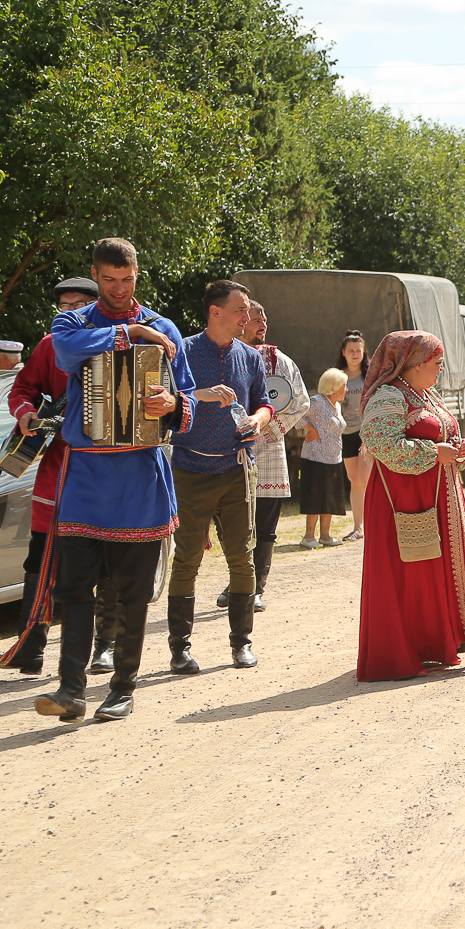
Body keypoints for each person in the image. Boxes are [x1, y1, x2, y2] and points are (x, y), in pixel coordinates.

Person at [29, 238, 196, 722]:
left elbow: (187, 400)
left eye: (126, 279)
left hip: (140, 479)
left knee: (132, 592)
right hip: (84, 477)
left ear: (137, 274)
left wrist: (172, 405)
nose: (118, 288)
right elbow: (65, 353)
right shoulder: (73, 321)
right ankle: (70, 689)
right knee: (74, 588)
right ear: (95, 275)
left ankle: (123, 688)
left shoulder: (165, 328)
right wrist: (129, 333)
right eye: (108, 279)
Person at [0, 277, 114, 675]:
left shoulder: (122, 343)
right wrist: (26, 412)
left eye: (78, 305)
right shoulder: (49, 345)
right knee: (40, 559)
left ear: (96, 308)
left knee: (108, 562)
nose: (70, 312)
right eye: (64, 306)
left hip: (112, 472)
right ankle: (30, 646)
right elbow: (23, 388)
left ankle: (106, 647)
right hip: (59, 470)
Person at [357, 331, 465, 681]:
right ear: (414, 364)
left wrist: (459, 450)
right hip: (402, 499)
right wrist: (434, 453)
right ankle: (405, 651)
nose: (440, 369)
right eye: (436, 363)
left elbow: (445, 436)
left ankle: (439, 642)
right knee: (411, 573)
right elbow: (381, 444)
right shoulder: (388, 396)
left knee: (431, 571)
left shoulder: (426, 394)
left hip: (438, 495)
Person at [166, 280, 273, 674]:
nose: (248, 316)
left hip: (237, 469)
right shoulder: (183, 352)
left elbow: (264, 403)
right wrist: (199, 395)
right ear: (215, 311)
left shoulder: (251, 356)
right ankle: (180, 650)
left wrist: (258, 420)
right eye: (240, 309)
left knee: (242, 558)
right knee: (187, 560)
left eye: (247, 310)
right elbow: (163, 403)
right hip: (190, 469)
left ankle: (241, 644)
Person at [234, 299, 309, 611]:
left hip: (268, 450)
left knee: (264, 523)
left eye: (264, 318)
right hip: (231, 451)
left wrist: (270, 429)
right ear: (239, 321)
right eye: (256, 318)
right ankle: (238, 582)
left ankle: (256, 588)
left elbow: (301, 401)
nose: (262, 323)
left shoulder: (281, 362)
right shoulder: (226, 356)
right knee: (233, 524)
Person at [299, 369, 350, 548]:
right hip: (315, 457)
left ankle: (325, 536)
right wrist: (310, 429)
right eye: (344, 385)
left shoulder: (336, 405)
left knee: (329, 498)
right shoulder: (316, 402)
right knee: (315, 497)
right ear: (334, 387)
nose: (346, 389)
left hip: (334, 458)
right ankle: (308, 537)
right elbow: (295, 415)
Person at [336, 330, 371, 541]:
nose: (355, 354)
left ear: (364, 352)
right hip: (346, 433)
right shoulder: (338, 377)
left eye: (358, 350)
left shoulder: (370, 376)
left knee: (366, 480)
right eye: (351, 351)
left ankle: (374, 524)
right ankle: (358, 528)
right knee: (354, 481)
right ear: (343, 352)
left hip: (366, 434)